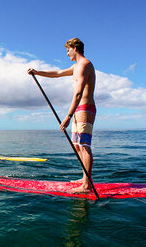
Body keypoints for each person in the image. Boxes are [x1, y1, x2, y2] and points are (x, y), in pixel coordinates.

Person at [27, 37, 96, 193]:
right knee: (77, 145)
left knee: (85, 146)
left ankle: (87, 185)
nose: (67, 54)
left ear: (74, 48)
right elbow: (57, 73)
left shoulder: (85, 65)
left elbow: (78, 93)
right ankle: (84, 177)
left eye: (67, 50)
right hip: (78, 109)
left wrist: (68, 116)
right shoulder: (76, 66)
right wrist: (37, 72)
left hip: (85, 108)